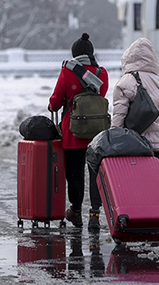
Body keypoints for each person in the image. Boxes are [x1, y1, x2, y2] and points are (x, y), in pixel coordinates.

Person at [87, 37, 159, 229]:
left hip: (134, 145)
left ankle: (132, 223)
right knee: (149, 189)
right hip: (157, 146)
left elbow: (119, 116)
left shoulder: (127, 81)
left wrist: (112, 140)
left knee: (131, 190)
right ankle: (154, 223)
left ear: (129, 59)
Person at [48, 33, 109, 228]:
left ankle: (75, 211)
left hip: (74, 133)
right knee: (95, 174)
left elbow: (56, 100)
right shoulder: (102, 74)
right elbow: (99, 97)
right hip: (96, 134)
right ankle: (95, 214)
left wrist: (52, 106)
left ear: (74, 54)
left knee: (74, 174)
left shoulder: (68, 71)